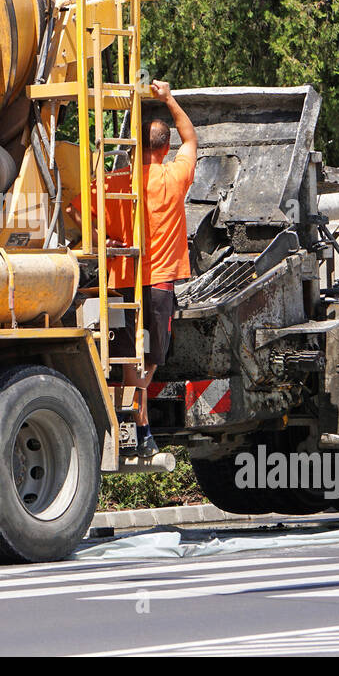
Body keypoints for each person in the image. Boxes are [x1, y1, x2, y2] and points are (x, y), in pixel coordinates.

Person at [70, 80, 197, 457]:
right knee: (149, 361)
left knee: (128, 357)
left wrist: (99, 238)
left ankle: (132, 428)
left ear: (137, 148)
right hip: (158, 284)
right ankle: (139, 430)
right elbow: (191, 139)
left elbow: (75, 208)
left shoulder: (115, 182)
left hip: (122, 283)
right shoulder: (175, 177)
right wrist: (169, 98)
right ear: (166, 147)